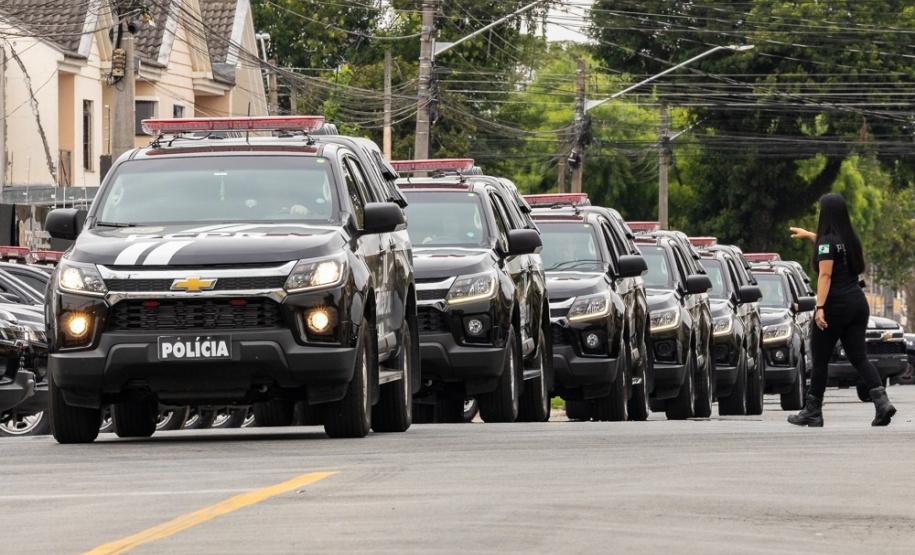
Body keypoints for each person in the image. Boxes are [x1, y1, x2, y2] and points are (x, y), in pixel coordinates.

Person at [788, 193, 896, 427]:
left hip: (836, 305)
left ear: (825, 214)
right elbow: (830, 248)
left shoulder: (827, 242)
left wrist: (820, 308)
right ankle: (882, 403)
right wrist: (809, 236)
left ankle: (813, 411)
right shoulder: (850, 240)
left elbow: (825, 274)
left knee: (820, 359)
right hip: (858, 303)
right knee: (859, 357)